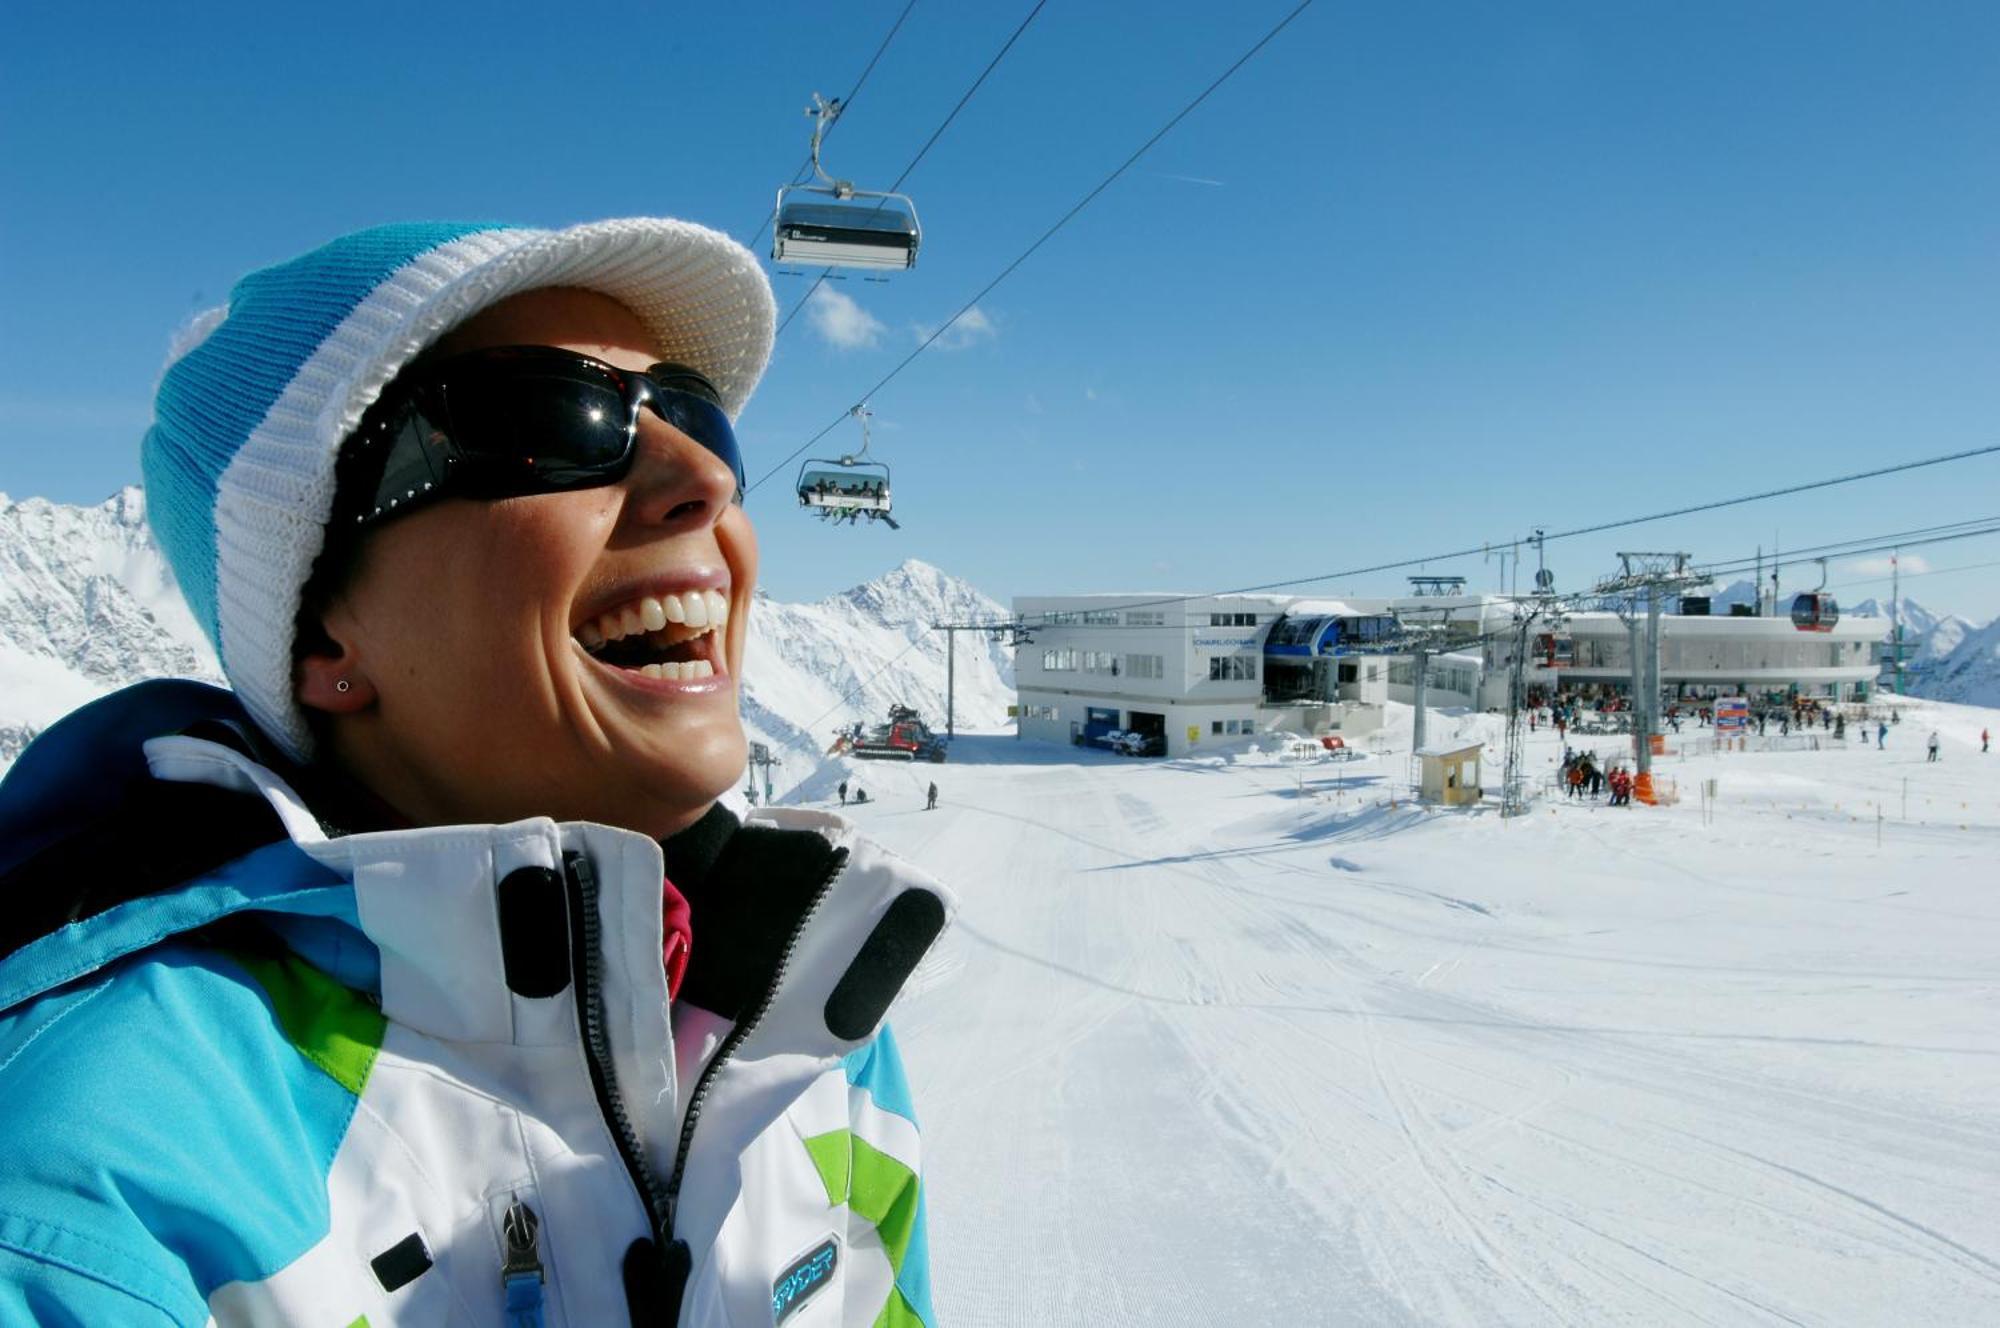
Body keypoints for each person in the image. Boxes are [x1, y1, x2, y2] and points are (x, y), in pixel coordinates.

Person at [0, 220, 950, 1326]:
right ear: (326, 644)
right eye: (546, 420)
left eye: (697, 417)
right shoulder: (106, 1173)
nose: (701, 477)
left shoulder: (798, 1015)